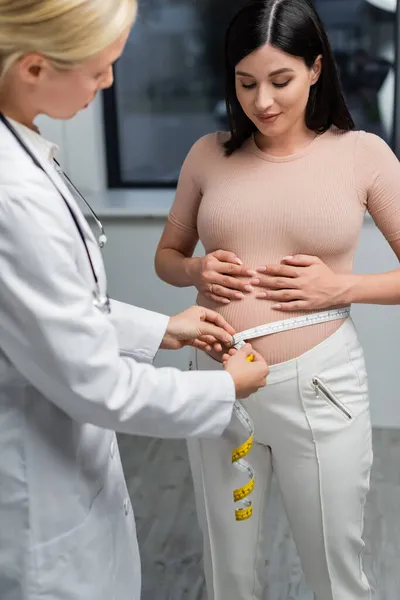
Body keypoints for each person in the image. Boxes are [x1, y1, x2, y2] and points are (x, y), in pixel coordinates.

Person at [0, 1, 270, 599]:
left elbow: (53, 307)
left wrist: (160, 330)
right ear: (35, 69)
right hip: (36, 507)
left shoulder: (24, 153)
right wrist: (226, 389)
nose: (110, 82)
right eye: (100, 69)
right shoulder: (11, 195)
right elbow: (98, 383)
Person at [155, 0, 400, 597]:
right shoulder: (208, 154)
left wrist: (341, 287)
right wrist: (195, 269)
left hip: (319, 387)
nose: (262, 100)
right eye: (246, 82)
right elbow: (166, 259)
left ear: (316, 69)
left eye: (280, 80)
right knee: (229, 572)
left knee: (333, 569)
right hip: (216, 379)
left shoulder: (361, 154)